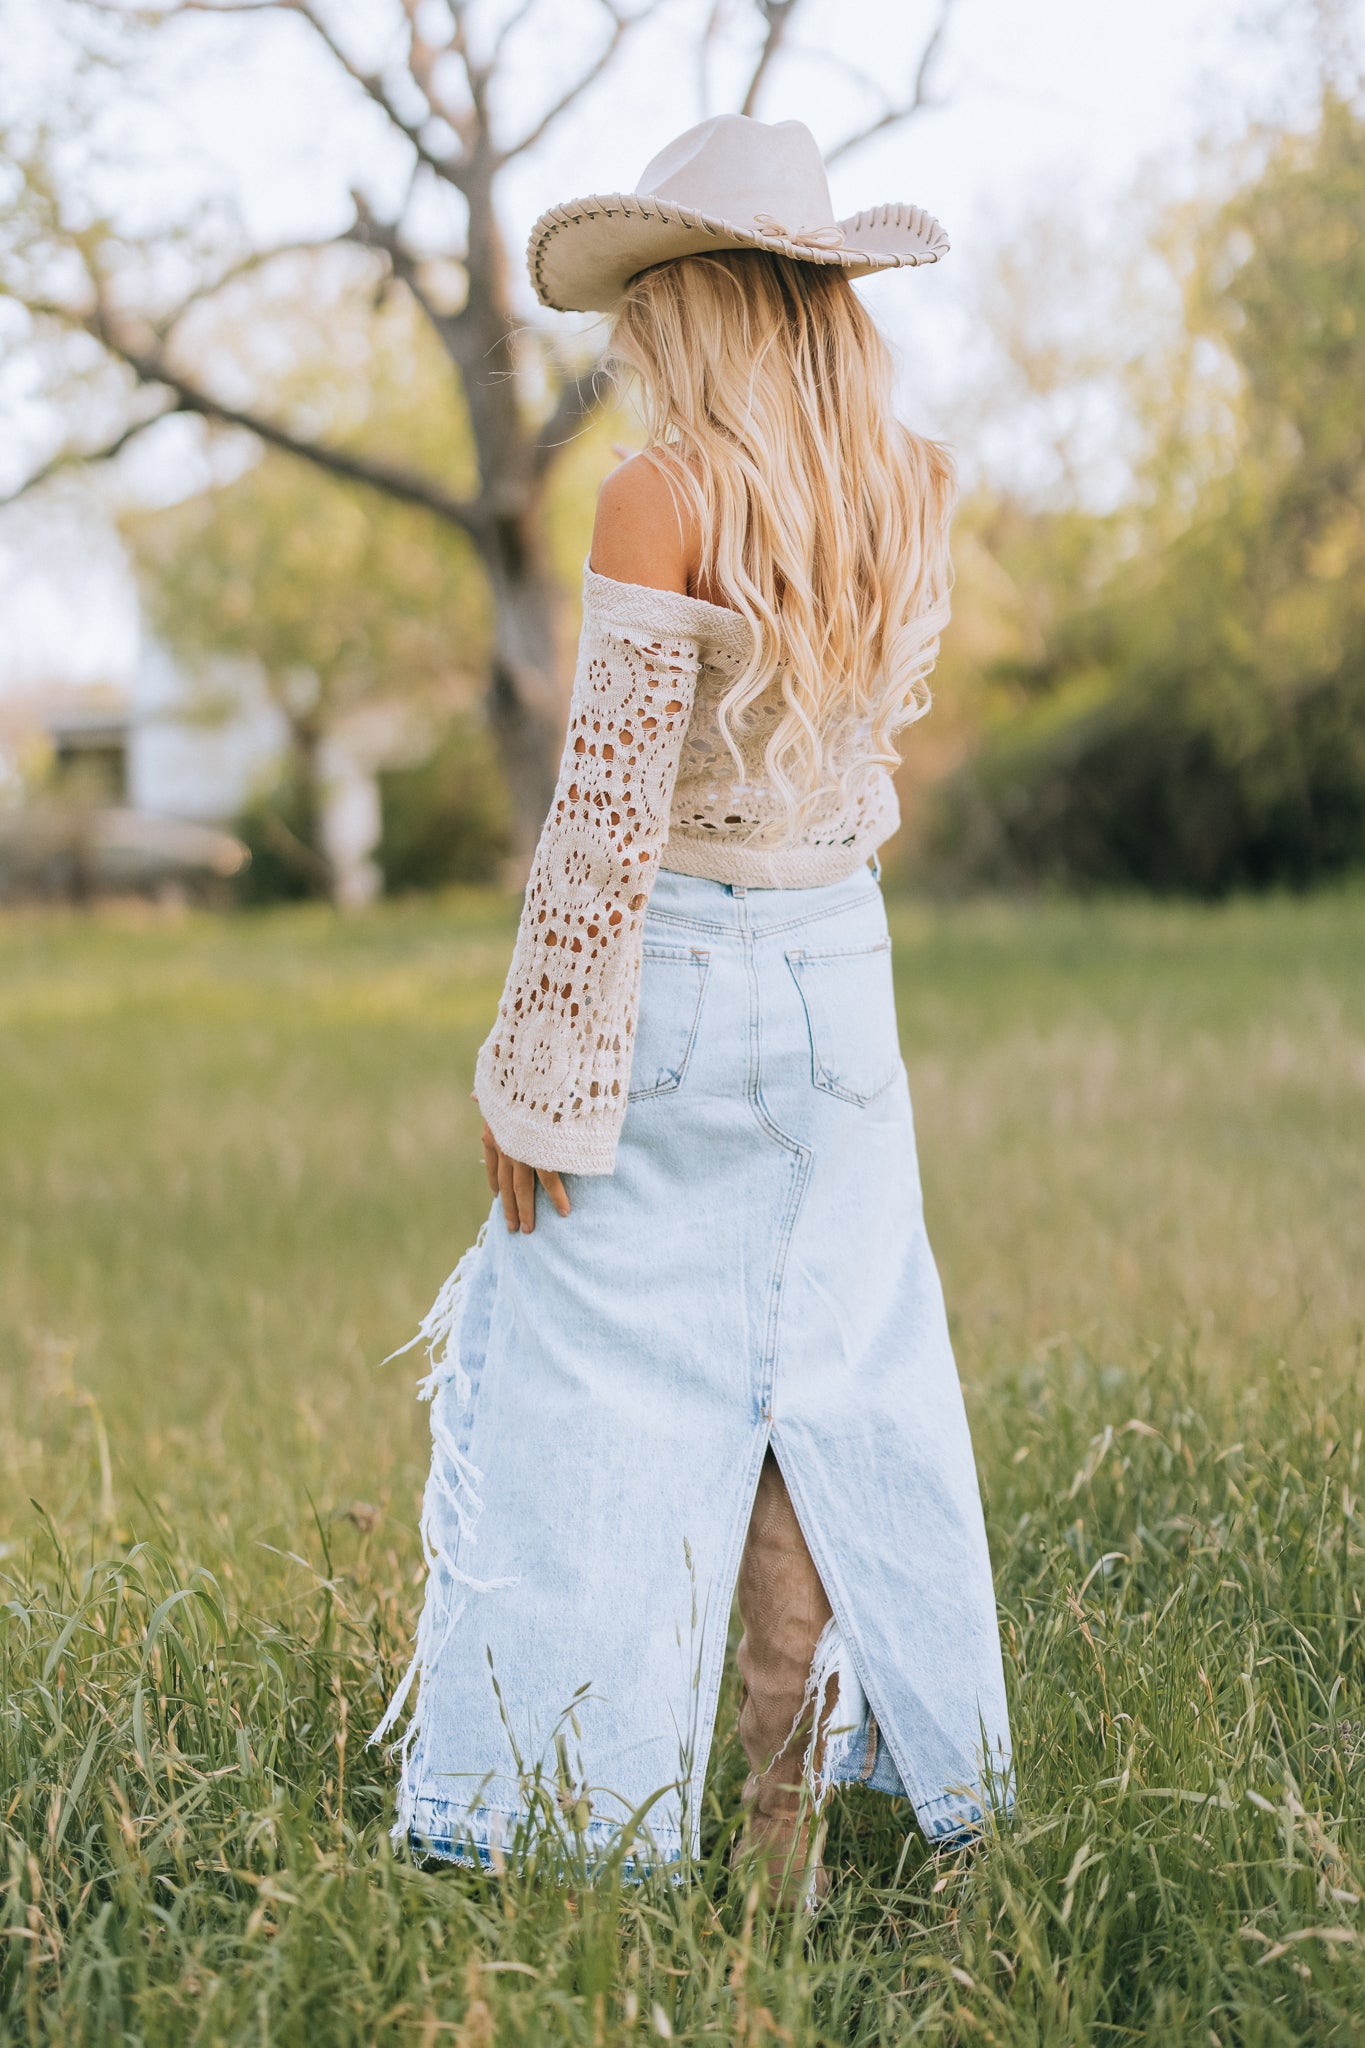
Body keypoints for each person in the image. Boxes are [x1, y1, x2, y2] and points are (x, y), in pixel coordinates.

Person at [376, 113, 1012, 1907]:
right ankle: (787, 1845)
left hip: (673, 973)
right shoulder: (911, 479)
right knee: (824, 1392)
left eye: (648, 296)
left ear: (703, 297)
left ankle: (571, 1829)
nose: (627, 335)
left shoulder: (660, 494)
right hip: (839, 989)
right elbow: (857, 776)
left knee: (592, 1391)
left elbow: (603, 818)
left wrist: (535, 1072)